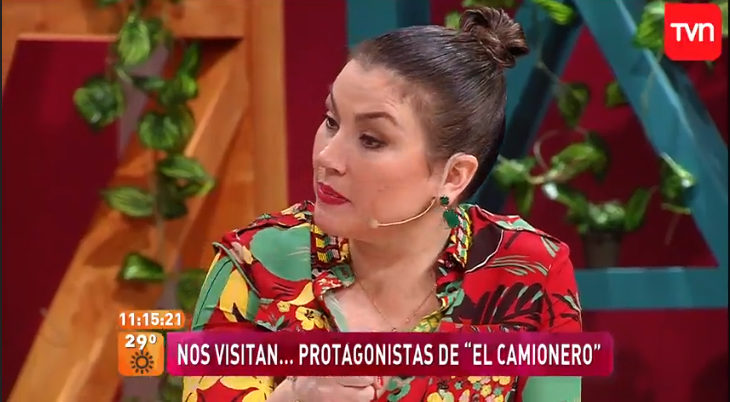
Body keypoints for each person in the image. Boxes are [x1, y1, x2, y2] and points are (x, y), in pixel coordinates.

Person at [182, 6, 582, 402]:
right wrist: (295, 397)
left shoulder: (528, 270)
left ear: (453, 176)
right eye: (332, 121)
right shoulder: (257, 262)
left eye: (371, 140)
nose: (327, 158)